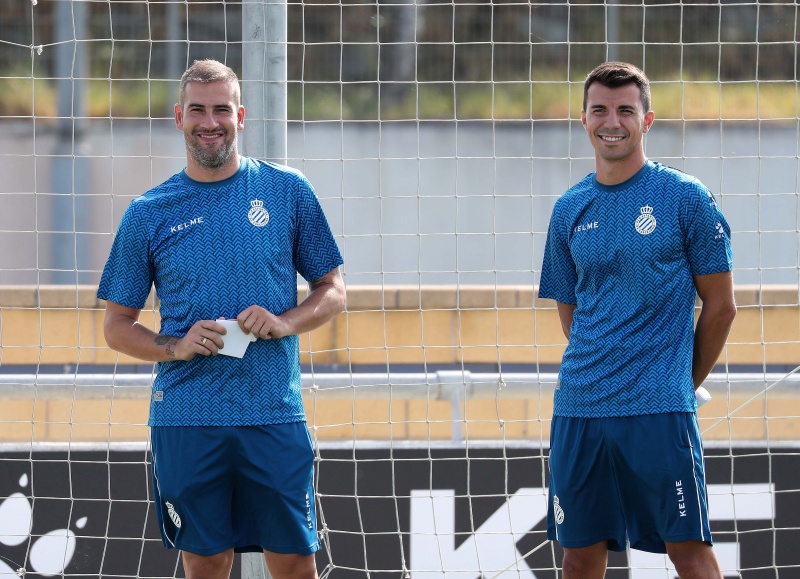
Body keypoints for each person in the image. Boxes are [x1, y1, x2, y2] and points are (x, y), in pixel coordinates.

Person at [97, 59, 346, 579]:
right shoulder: (149, 211)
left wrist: (285, 322)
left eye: (220, 110)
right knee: (206, 562)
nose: (209, 122)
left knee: (296, 562)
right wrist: (177, 345)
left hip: (272, 411)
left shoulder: (288, 190)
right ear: (178, 117)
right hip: (187, 416)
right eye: (197, 110)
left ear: (240, 115)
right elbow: (116, 325)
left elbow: (332, 291)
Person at [538, 61, 736, 579]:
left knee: (688, 552)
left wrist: (678, 381)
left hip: (658, 412)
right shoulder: (568, 208)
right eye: (600, 109)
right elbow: (572, 315)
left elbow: (722, 306)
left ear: (647, 121)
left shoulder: (684, 197)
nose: (612, 121)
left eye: (626, 110)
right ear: (584, 120)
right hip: (580, 409)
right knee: (579, 556)